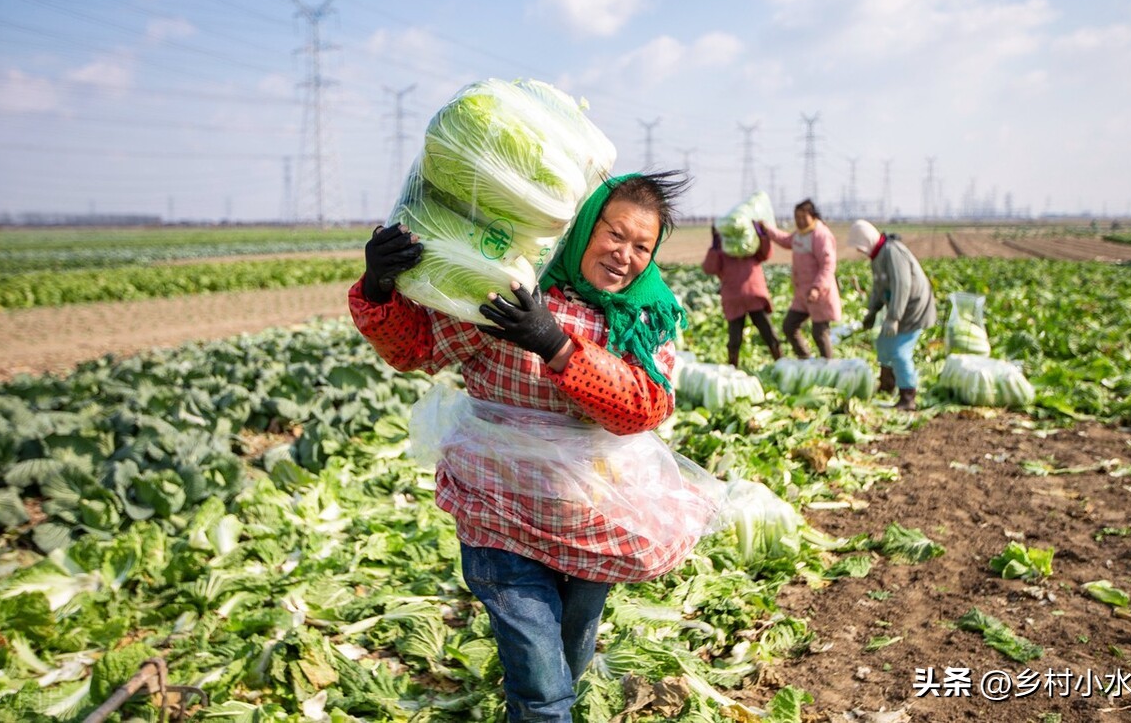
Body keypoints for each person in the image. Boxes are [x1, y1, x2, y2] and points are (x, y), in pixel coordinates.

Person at [349, 172, 694, 722]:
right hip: (499, 515)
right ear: (583, 228)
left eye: (641, 247)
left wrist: (556, 345)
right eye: (614, 235)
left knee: (570, 652)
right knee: (543, 691)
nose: (624, 256)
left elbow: (644, 406)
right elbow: (417, 347)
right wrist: (377, 287)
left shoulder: (643, 320)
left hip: (592, 519)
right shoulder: (510, 295)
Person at [846, 219, 937, 411]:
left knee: (899, 351)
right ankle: (887, 385)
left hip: (913, 309)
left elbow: (902, 285)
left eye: (860, 246)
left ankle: (908, 395)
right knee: (884, 344)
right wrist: (872, 312)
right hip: (899, 309)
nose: (861, 251)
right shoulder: (878, 256)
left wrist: (894, 317)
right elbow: (879, 288)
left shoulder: (892, 251)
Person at [759, 199, 841, 359]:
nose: (800, 221)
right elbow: (785, 240)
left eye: (804, 217)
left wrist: (817, 288)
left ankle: (829, 367)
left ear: (813, 216)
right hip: (803, 293)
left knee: (819, 332)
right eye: (797, 217)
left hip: (819, 294)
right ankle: (805, 359)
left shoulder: (820, 235)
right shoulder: (799, 235)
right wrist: (767, 230)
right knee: (789, 326)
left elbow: (828, 265)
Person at [701, 222, 781, 366]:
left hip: (744, 297)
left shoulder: (748, 248)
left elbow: (766, 252)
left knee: (755, 335)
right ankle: (779, 362)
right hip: (744, 296)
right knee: (755, 335)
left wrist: (761, 235)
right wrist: (715, 246)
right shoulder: (728, 250)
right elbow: (709, 267)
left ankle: (734, 367)